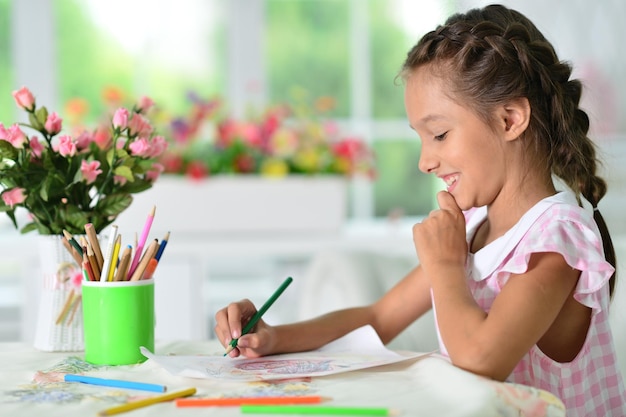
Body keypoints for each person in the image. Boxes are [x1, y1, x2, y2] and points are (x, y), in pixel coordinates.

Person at [214, 4, 626, 416]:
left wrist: (446, 268)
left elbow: (481, 361)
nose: (425, 161)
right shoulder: (474, 229)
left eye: (440, 134)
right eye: (422, 139)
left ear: (510, 119)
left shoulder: (558, 241)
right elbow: (378, 318)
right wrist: (273, 337)